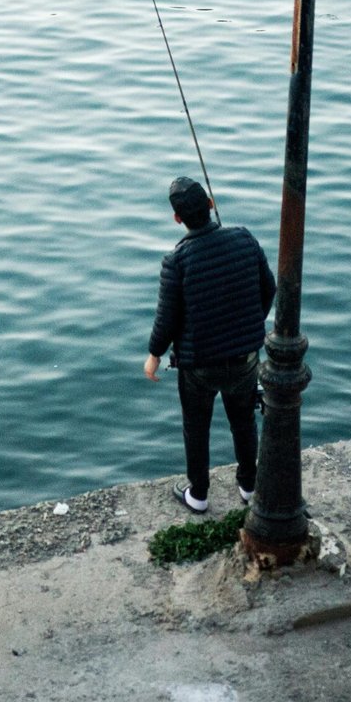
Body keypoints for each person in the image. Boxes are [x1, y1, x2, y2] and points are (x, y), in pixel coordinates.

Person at [144, 176, 276, 513]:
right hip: (245, 357)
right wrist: (250, 325)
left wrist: (154, 354)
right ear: (211, 204)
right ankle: (249, 486)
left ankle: (199, 494)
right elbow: (269, 289)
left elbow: (167, 318)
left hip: (199, 363)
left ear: (178, 219)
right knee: (243, 421)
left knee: (196, 426)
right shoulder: (245, 239)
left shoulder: (177, 260)